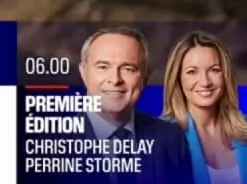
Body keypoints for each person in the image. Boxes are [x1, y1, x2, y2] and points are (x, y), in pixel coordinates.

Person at [74, 26, 195, 184]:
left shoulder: (170, 138)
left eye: (128, 69)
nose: (115, 79)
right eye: (103, 67)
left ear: (145, 77)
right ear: (84, 73)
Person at [161, 31, 247, 184]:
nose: (205, 81)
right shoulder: (162, 138)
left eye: (214, 70)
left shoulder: (244, 131)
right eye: (192, 72)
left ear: (226, 75)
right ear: (178, 79)